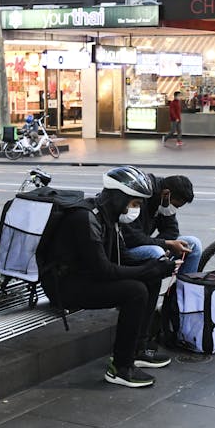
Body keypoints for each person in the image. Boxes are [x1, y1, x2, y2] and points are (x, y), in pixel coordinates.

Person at [40, 166, 176, 388]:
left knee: (149, 279)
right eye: (134, 203)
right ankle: (121, 368)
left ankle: (138, 350)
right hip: (64, 286)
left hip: (85, 277)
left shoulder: (108, 216)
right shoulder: (85, 219)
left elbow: (119, 257)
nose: (136, 209)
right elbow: (104, 270)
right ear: (119, 197)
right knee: (135, 291)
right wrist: (149, 269)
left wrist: (157, 266)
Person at [120, 173, 202, 275]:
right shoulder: (140, 198)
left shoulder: (165, 202)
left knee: (194, 243)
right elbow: (132, 238)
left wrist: (166, 245)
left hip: (147, 243)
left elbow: (171, 231)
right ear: (166, 194)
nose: (174, 209)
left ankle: (184, 289)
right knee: (157, 253)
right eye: (175, 205)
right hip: (126, 248)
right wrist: (165, 244)